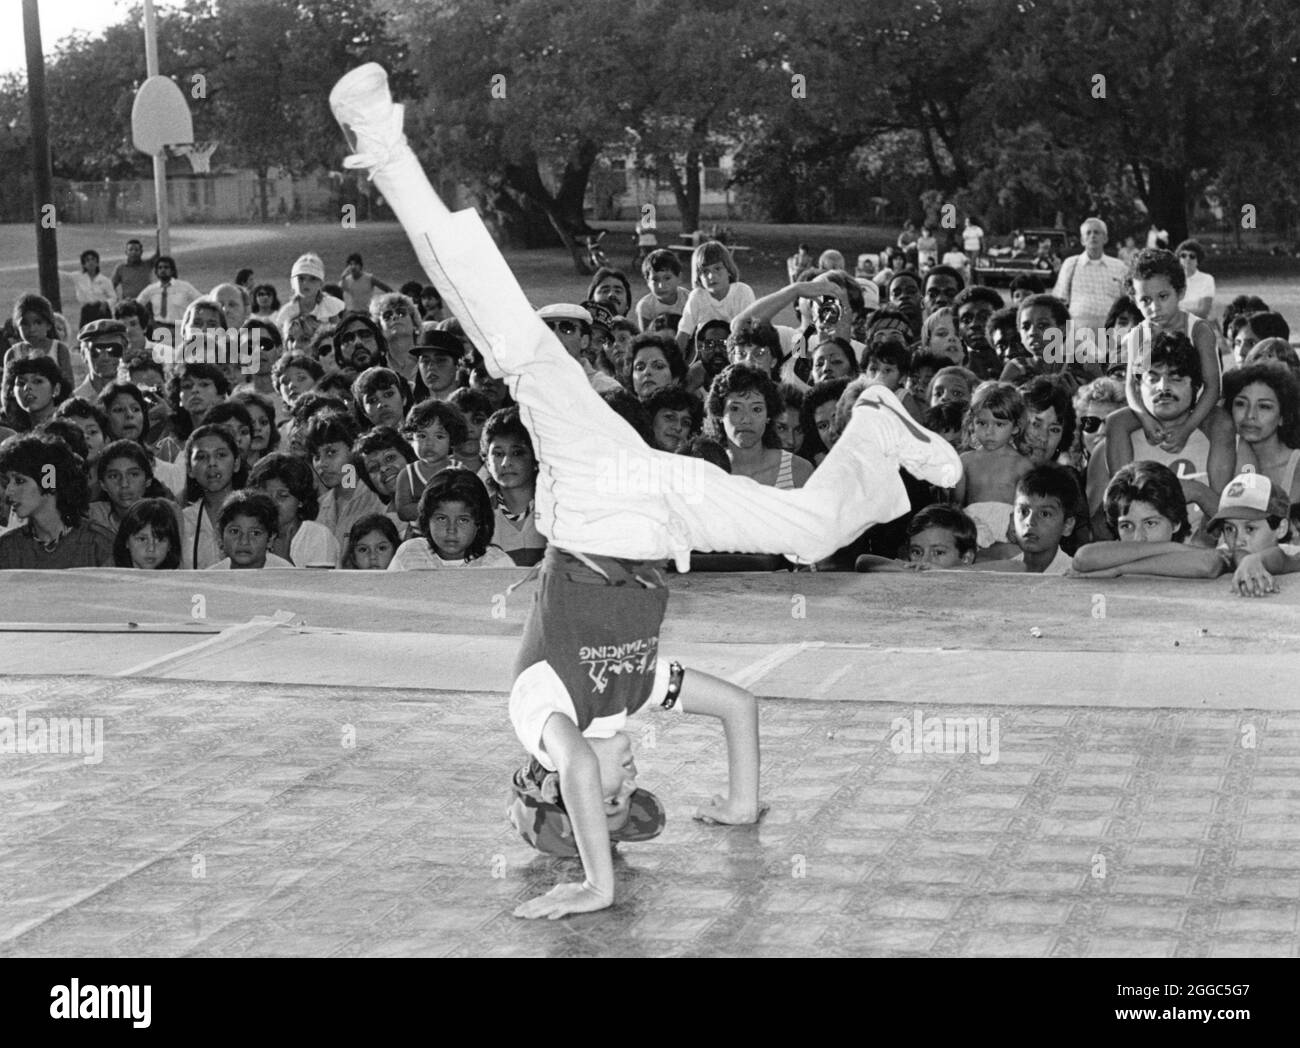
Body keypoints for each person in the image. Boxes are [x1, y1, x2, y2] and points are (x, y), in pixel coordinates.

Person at [331, 64, 962, 918]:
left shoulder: (541, 711)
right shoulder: (637, 690)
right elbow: (739, 707)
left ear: (557, 784)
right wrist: (741, 804)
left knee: (509, 339)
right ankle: (878, 423)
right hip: (660, 505)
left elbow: (584, 765)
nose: (630, 777)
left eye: (615, 798)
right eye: (633, 797)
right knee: (814, 533)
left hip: (595, 493)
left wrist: (598, 882)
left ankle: (383, 145)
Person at [1103, 251, 1234, 494]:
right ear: (1135, 300)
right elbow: (1131, 386)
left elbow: (1213, 387)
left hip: (1194, 408)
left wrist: (1187, 428)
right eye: (1145, 300)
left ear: (1180, 292)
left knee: (1224, 424)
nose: (1154, 307)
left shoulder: (1199, 330)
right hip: (1154, 404)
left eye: (1163, 296)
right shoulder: (1139, 335)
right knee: (1115, 422)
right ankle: (1121, 494)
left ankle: (1218, 500)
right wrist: (1144, 417)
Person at [1070, 460, 1226, 578]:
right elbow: (1082, 558)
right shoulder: (1110, 554)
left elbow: (1208, 562)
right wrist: (1170, 547)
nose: (1139, 537)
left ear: (1176, 523)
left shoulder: (1190, 561)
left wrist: (1120, 569)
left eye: (1150, 523)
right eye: (1126, 526)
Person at [0, 434, 114, 569]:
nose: (8, 492)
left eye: (19, 481)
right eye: (7, 483)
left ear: (50, 481)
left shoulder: (98, 545)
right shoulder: (7, 548)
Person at [954, 382, 1033, 553]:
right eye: (982, 423)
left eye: (999, 424)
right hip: (971, 530)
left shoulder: (1022, 465)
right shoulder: (965, 461)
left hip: (1008, 533)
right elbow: (956, 505)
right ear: (971, 423)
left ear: (1016, 427)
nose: (989, 432)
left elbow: (1031, 505)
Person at [706, 364, 814, 488]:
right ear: (720, 414)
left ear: (768, 415)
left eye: (756, 409)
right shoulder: (708, 472)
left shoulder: (799, 470)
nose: (746, 419)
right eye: (735, 408)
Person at [388, 468, 515, 568]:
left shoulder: (497, 563)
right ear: (427, 519)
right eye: (442, 518)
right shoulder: (410, 553)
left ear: (480, 523)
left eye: (463, 520)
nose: (451, 530)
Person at [308, 410, 389, 550]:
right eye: (316, 456)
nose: (322, 463)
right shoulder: (318, 507)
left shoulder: (380, 500)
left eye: (331, 452)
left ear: (354, 449)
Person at [1224, 362, 1300, 503]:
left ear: (1283, 416)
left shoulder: (1297, 467)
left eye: (1264, 406)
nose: (1250, 415)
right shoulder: (1222, 461)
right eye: (1241, 403)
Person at [248, 453, 340, 567]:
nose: (272, 503)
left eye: (282, 496)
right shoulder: (248, 534)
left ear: (301, 500)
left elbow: (318, 584)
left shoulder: (317, 536)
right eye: (265, 496)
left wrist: (283, 558)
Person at [180, 423, 246, 569]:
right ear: (190, 469)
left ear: (236, 463)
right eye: (202, 457)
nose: (211, 463)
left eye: (221, 455)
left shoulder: (254, 514)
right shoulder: (183, 521)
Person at [1052, 217, 1128, 338]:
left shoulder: (1119, 267)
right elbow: (1059, 300)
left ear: (1105, 238)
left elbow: (1127, 301)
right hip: (1077, 333)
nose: (1093, 236)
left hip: (1110, 333)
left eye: (1097, 232)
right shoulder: (1071, 264)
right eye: (1088, 233)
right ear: (1082, 240)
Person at [675, 241, 755, 353]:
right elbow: (684, 332)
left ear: (729, 270)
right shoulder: (697, 297)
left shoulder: (742, 292)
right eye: (705, 271)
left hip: (736, 353)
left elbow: (748, 331)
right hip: (707, 355)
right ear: (698, 276)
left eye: (717, 268)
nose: (711, 276)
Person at [394, 399, 465, 522]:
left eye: (439, 436)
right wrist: (435, 506)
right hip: (419, 537)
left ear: (452, 440)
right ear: (411, 438)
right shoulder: (407, 475)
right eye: (422, 436)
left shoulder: (460, 471)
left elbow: (470, 504)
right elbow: (403, 512)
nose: (429, 443)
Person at [855, 503, 979, 572]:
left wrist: (945, 574)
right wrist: (901, 568)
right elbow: (862, 561)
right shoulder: (913, 568)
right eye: (917, 552)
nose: (924, 561)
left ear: (966, 558)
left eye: (938, 552)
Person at [1004, 465, 1079, 573]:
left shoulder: (1073, 576)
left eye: (1045, 514)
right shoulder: (1004, 573)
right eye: (1024, 512)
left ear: (1067, 525)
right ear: (1012, 522)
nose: (1030, 522)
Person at [274, 253, 345, 345]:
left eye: (313, 279)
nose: (306, 283)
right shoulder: (286, 312)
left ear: (321, 283)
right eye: (301, 278)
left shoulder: (330, 306)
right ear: (293, 282)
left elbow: (338, 337)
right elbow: (278, 342)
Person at [112, 497, 182, 569]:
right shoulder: (104, 577)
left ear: (170, 545)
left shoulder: (180, 579)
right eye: (142, 539)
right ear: (126, 541)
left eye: (160, 540)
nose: (151, 548)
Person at [136, 256, 201, 328]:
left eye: (166, 267)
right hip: (160, 329)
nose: (163, 270)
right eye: (160, 268)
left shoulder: (184, 287)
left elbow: (201, 300)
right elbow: (137, 304)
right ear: (156, 272)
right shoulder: (151, 289)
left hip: (180, 327)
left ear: (172, 270)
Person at [634, 249, 689, 333]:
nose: (661, 285)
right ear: (647, 282)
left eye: (667, 278)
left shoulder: (688, 299)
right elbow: (646, 337)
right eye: (655, 279)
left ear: (679, 278)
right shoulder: (646, 306)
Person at [409, 327, 464, 402]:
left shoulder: (476, 409)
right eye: (425, 361)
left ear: (458, 365)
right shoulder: (411, 410)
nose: (431, 367)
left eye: (440, 360)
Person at [1175, 239, 1215, 320]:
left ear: (1198, 260)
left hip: (1198, 326)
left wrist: (1176, 314)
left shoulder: (1207, 279)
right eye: (1183, 255)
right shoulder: (1172, 280)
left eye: (1192, 256)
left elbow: (1203, 312)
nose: (1187, 259)